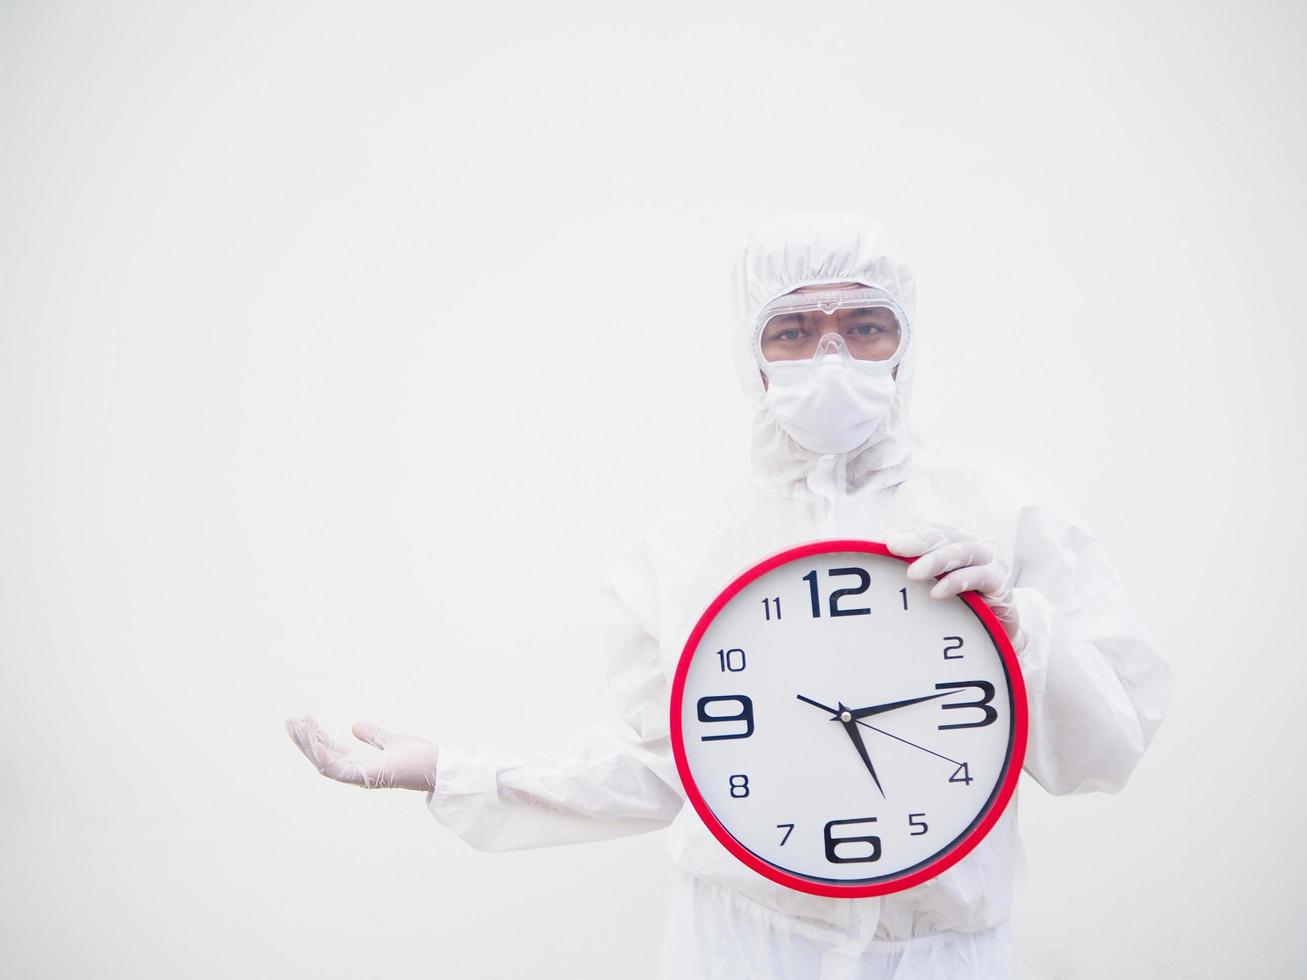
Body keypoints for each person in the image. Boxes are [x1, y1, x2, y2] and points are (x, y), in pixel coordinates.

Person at [287, 213, 1171, 979]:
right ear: (750, 353)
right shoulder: (680, 552)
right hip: (744, 948)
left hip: (948, 950)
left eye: (865, 325)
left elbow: (1108, 748)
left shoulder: (1004, 508)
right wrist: (450, 771)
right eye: (792, 329)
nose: (830, 353)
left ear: (905, 344)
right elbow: (668, 766)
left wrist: (1022, 631)